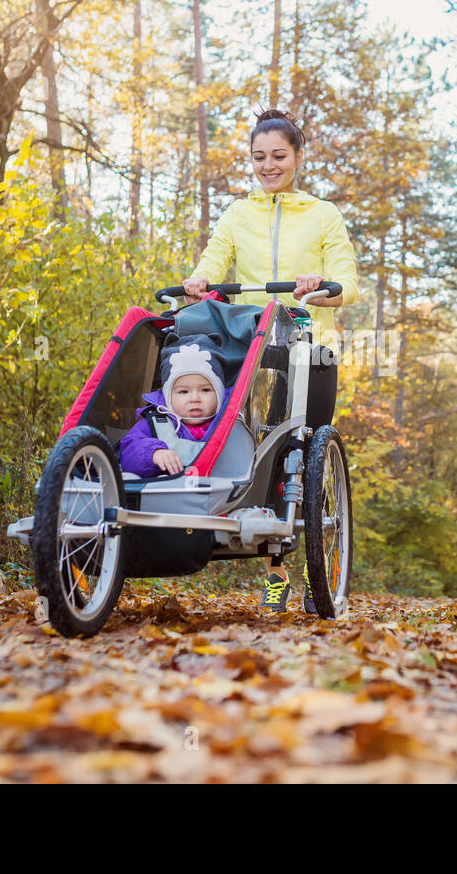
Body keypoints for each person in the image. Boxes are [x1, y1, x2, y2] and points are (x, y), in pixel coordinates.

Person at [181, 108, 359, 613]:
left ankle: (317, 570)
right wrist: (199, 281)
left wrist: (322, 288)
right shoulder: (238, 213)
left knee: (300, 458)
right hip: (252, 348)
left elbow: (347, 275)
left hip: (306, 349)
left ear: (298, 157)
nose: (268, 166)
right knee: (248, 452)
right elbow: (214, 261)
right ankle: (275, 571)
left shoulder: (323, 214)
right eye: (259, 157)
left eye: (279, 156)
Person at [118, 338, 233, 478]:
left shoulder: (232, 424)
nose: (195, 398)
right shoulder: (155, 423)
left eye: (205, 390)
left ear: (219, 394)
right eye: (183, 392)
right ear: (168, 398)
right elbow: (130, 451)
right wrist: (153, 454)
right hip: (169, 494)